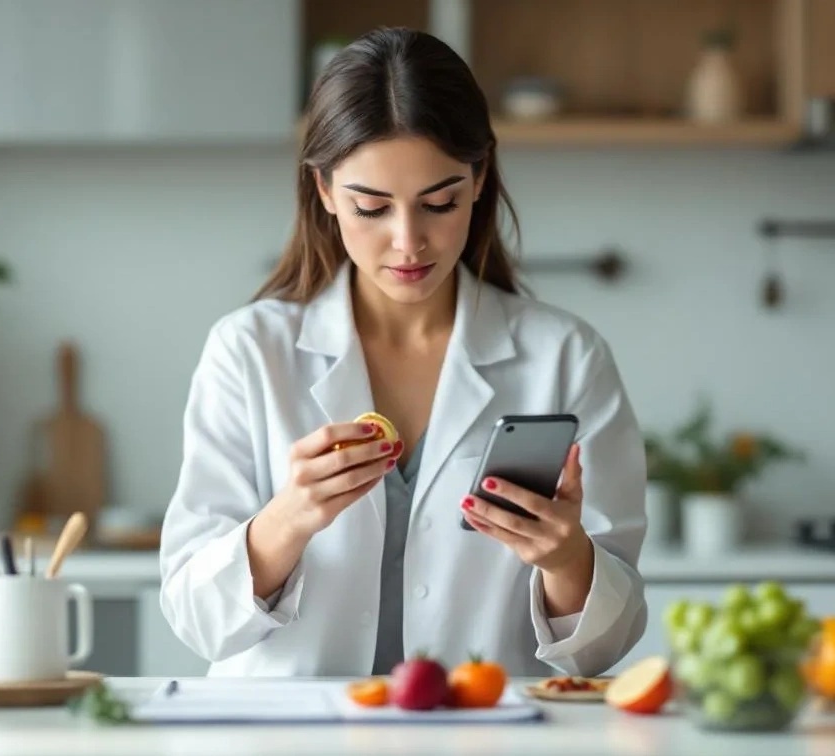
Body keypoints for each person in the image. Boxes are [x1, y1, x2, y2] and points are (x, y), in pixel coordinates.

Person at [159, 27, 647, 679]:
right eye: (372, 207)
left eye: (439, 203)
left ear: (479, 180)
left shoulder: (565, 356)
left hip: (482, 730)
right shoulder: (248, 351)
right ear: (326, 192)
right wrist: (287, 519)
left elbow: (606, 648)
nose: (408, 241)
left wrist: (566, 560)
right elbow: (195, 619)